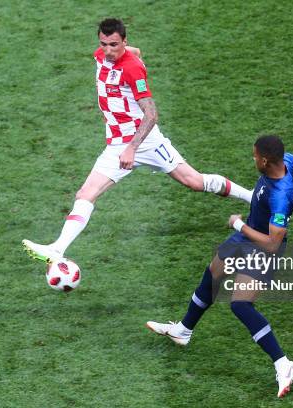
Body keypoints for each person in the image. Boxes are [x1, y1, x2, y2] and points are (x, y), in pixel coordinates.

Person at [146, 135, 293, 398]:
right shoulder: (290, 161)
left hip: (261, 246)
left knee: (241, 304)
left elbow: (273, 244)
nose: (252, 159)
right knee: (213, 273)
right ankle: (183, 330)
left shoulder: (280, 196)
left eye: (254, 156)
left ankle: (283, 364)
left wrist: (239, 225)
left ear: (264, 161)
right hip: (248, 234)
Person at [22, 18, 253, 263]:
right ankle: (57, 249)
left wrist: (132, 148)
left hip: (141, 141)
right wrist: (130, 53)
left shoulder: (131, 69)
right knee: (86, 194)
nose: (109, 51)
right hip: (118, 143)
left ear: (124, 41)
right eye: (104, 44)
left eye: (114, 45)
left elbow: (151, 114)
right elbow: (136, 52)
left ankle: (251, 196)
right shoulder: (101, 55)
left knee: (194, 182)